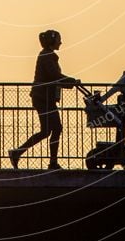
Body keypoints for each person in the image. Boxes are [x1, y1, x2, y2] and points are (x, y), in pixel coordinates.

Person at [8, 29, 79, 170]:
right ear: (52, 41)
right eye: (59, 39)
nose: (61, 42)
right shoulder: (48, 56)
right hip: (43, 98)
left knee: (47, 130)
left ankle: (18, 152)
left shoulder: (47, 55)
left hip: (43, 98)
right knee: (56, 128)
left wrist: (69, 82)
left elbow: (53, 78)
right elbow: (54, 76)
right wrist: (71, 81)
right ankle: (52, 162)